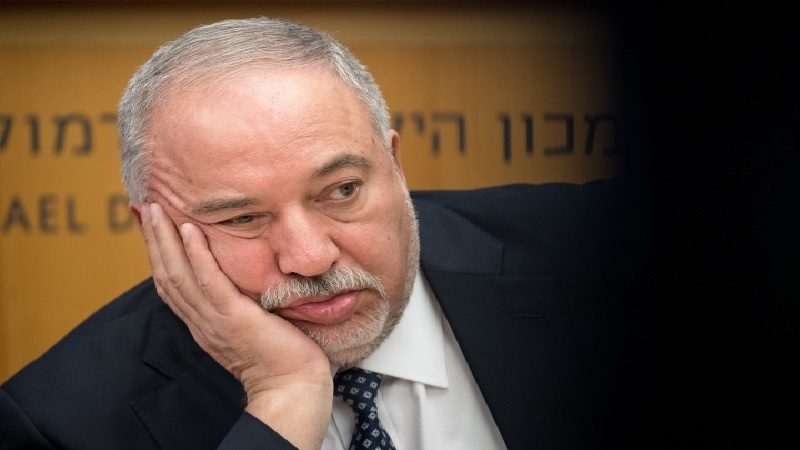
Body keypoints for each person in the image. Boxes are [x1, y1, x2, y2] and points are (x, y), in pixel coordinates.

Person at [0, 17, 653, 450]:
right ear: (156, 232)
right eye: (243, 218)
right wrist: (283, 398)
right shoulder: (60, 423)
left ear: (392, 165)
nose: (310, 258)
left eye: (341, 191)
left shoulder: (606, 251)